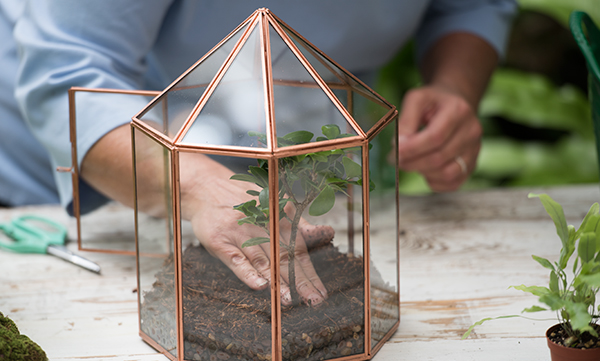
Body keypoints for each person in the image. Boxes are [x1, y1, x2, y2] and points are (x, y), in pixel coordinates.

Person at [0, 0, 517, 305]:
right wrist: (194, 184)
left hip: (307, 167)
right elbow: (68, 70)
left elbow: (470, 6)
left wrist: (455, 86)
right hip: (113, 155)